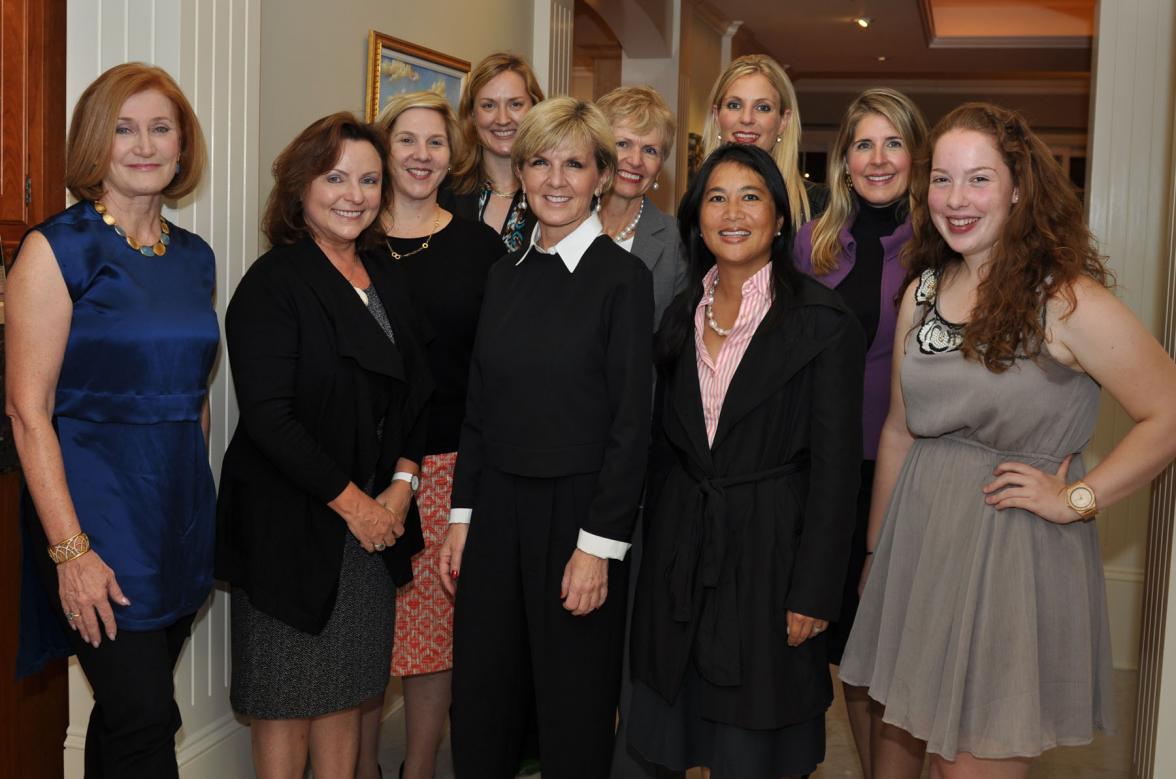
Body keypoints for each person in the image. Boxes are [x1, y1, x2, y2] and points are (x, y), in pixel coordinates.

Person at [839, 103, 1176, 779]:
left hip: (1008, 557)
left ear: (1019, 188)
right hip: (919, 547)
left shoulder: (1066, 299)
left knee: (970, 765)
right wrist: (878, 553)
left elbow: (1167, 412)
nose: (955, 200)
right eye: (942, 179)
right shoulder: (924, 291)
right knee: (908, 761)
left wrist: (1077, 495)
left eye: (979, 180)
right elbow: (900, 432)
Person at [628, 143, 865, 778]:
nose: (733, 213)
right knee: (680, 736)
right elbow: (662, 452)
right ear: (697, 218)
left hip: (772, 559)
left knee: (753, 748)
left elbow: (837, 473)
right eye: (716, 197)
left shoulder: (822, 322)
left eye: (751, 197)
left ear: (781, 218)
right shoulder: (680, 316)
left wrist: (814, 590)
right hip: (684, 552)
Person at [8, 62, 216, 778]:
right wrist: (71, 551)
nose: (145, 144)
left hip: (177, 516)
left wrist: (195, 503)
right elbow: (28, 412)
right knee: (146, 714)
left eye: (162, 128)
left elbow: (194, 391)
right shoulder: (55, 249)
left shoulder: (194, 258)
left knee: (130, 712)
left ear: (183, 146)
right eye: (124, 128)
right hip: (92, 518)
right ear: (96, 142)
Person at [439, 96, 654, 778]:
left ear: (601, 176)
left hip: (579, 514)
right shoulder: (503, 275)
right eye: (540, 162)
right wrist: (462, 517)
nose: (555, 179)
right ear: (521, 172)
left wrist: (598, 547)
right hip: (496, 508)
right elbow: (478, 406)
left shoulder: (624, 279)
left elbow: (631, 423)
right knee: (482, 701)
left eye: (574, 163)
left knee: (573, 707)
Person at [215, 112, 432, 779]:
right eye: (335, 176)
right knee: (286, 699)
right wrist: (358, 507)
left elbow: (418, 391)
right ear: (300, 187)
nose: (353, 193)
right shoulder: (274, 282)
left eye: (369, 179)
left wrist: (401, 483)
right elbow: (270, 418)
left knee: (347, 692)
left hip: (373, 523)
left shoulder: (386, 277)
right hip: (293, 525)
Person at [360, 90, 504, 779]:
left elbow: (495, 362)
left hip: (448, 462)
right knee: (361, 631)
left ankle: (418, 767)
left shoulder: (479, 246)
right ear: (385, 150)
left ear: (455, 156)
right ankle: (356, 765)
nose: (421, 155)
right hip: (358, 467)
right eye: (407, 140)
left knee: (431, 635)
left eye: (436, 143)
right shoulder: (351, 233)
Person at [792, 87, 929, 779]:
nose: (878, 159)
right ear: (844, 160)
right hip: (824, 476)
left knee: (902, 652)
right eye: (864, 144)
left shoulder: (943, 246)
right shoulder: (809, 245)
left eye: (893, 142)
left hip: (908, 475)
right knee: (850, 643)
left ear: (916, 154)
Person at [593, 85, 687, 778]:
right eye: (623, 142)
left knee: (626, 618)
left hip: (638, 452)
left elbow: (675, 351)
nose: (635, 158)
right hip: (558, 446)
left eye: (650, 148)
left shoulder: (673, 240)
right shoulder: (553, 213)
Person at [701, 54, 828, 232]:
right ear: (716, 116)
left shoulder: (820, 208)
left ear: (784, 120)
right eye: (734, 105)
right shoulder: (697, 202)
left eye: (763, 108)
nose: (746, 119)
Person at [444, 51, 545, 251]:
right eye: (488, 105)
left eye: (515, 104)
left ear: (535, 108)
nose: (502, 119)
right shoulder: (444, 192)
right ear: (472, 115)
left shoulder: (555, 191)